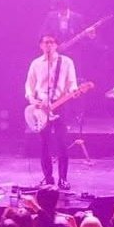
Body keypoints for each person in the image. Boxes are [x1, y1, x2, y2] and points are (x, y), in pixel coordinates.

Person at [25, 32, 78, 190]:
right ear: (40, 45)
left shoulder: (66, 62)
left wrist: (74, 91)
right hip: (41, 106)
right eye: (45, 42)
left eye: (51, 42)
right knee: (45, 144)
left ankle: (63, 179)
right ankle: (48, 178)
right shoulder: (36, 63)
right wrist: (32, 99)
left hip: (60, 105)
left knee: (62, 143)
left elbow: (72, 82)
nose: (48, 45)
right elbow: (29, 85)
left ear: (56, 45)